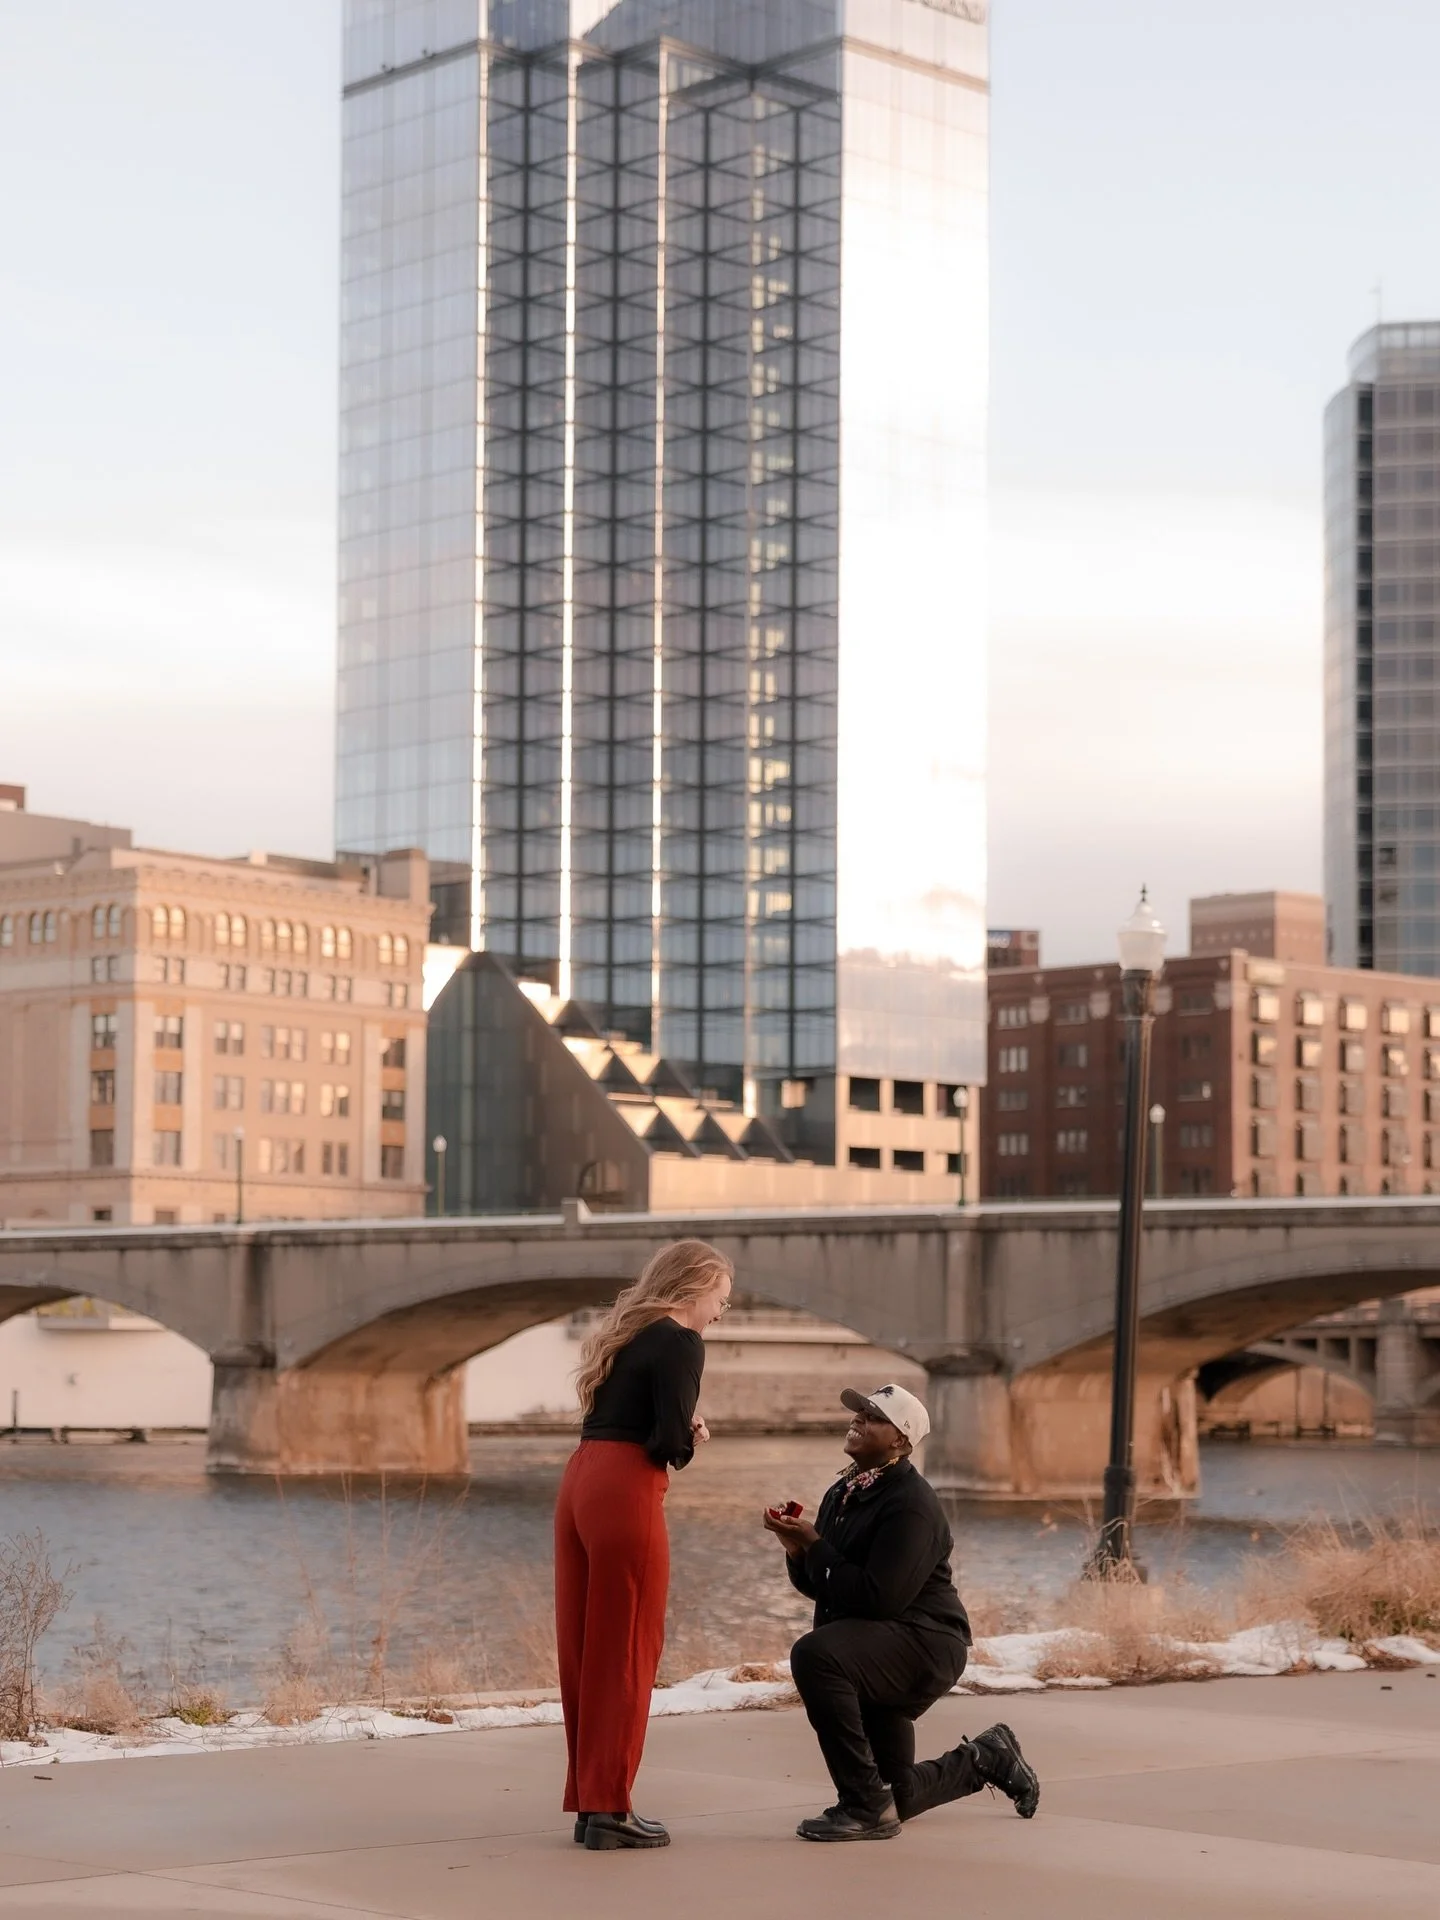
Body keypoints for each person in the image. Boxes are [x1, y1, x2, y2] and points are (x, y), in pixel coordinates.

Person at [763, 1382, 1039, 1841]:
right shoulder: (844, 1492)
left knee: (815, 1655)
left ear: (901, 1440)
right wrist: (797, 1551)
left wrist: (816, 1546)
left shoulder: (912, 1505)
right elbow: (830, 1589)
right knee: (897, 1796)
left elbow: (879, 1597)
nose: (858, 1420)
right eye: (859, 1412)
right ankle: (987, 1757)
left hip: (924, 1643)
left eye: (872, 1416)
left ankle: (862, 1806)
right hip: (876, 1643)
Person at [556, 1238, 734, 1851]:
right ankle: (609, 1809)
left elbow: (628, 1416)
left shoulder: (630, 1333)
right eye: (720, 1299)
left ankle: (590, 1802)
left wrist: (675, 1424)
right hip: (625, 1488)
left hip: (581, 1479)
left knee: (586, 1646)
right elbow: (665, 1441)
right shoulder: (682, 1340)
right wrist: (691, 1433)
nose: (720, 1312)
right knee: (629, 1646)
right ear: (697, 1285)